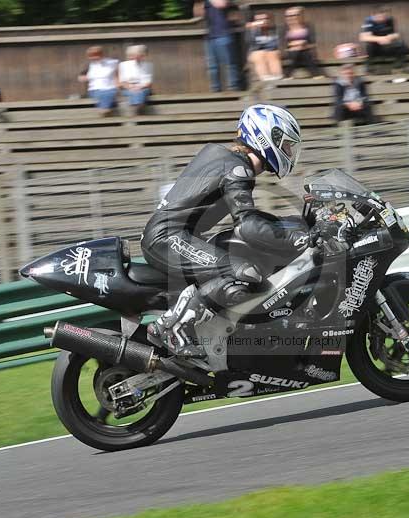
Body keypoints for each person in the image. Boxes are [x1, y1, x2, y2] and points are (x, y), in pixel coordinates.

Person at [144, 104, 306, 358]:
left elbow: (250, 219)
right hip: (168, 239)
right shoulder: (237, 168)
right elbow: (248, 225)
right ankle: (169, 328)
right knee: (245, 272)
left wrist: (293, 223)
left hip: (171, 236)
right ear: (266, 137)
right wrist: (300, 238)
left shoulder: (227, 157)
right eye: (285, 145)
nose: (288, 152)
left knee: (241, 260)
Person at [194, 0, 241, 92]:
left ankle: (234, 87)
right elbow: (198, 14)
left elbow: (221, 4)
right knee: (212, 67)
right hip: (210, 36)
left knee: (229, 63)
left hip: (224, 34)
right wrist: (198, 3)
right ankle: (215, 89)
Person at [359, 5, 409, 73]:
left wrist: (389, 37)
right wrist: (381, 39)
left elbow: (395, 34)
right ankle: (369, 66)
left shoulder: (389, 20)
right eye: (381, 17)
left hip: (387, 46)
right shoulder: (368, 21)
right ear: (374, 15)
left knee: (401, 45)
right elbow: (363, 37)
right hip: (375, 48)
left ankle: (398, 65)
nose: (383, 19)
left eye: (385, 17)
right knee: (369, 45)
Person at [283, 6, 324, 79]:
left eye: (294, 15)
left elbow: (313, 44)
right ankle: (316, 74)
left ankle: (287, 75)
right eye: (288, 16)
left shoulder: (308, 27)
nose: (291, 17)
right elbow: (283, 45)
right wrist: (297, 44)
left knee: (303, 52)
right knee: (299, 52)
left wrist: (302, 46)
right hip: (290, 53)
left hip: (305, 51)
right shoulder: (284, 29)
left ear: (301, 15)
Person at [79, 46, 119, 117]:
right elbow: (80, 77)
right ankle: (105, 109)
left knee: (108, 93)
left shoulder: (112, 63)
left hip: (110, 87)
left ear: (101, 55)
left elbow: (118, 74)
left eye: (95, 55)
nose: (93, 58)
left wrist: (118, 84)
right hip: (95, 88)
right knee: (101, 94)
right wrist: (86, 78)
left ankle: (103, 109)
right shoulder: (88, 65)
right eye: (91, 56)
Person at [247, 12, 283, 81]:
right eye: (259, 20)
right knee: (260, 53)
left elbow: (274, 45)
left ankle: (277, 76)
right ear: (255, 22)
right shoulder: (252, 31)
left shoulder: (274, 30)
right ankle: (265, 77)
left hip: (271, 52)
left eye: (265, 18)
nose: (263, 21)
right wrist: (255, 30)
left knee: (272, 53)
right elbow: (253, 46)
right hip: (255, 54)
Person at [119, 44, 153, 116]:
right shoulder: (123, 65)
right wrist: (130, 87)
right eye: (135, 55)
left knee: (140, 92)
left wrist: (139, 87)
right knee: (134, 93)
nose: (138, 57)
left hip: (143, 88)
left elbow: (148, 82)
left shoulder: (148, 65)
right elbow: (122, 82)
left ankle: (136, 108)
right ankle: (138, 108)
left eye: (141, 54)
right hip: (127, 88)